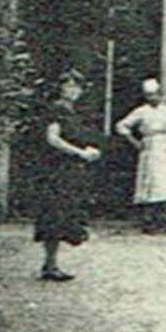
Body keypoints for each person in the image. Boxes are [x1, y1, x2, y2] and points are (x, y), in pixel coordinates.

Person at [36, 70, 101, 280]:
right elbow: (53, 139)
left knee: (62, 213)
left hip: (69, 169)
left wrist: (88, 148)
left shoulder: (72, 112)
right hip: (57, 170)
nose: (73, 91)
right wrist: (80, 153)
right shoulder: (57, 110)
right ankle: (50, 265)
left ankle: (50, 264)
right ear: (60, 88)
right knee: (55, 214)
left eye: (77, 87)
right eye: (68, 86)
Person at [115, 77, 166, 234]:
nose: (153, 98)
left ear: (161, 95)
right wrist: (134, 141)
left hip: (165, 147)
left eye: (156, 94)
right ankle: (150, 221)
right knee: (150, 184)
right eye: (149, 95)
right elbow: (122, 125)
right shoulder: (141, 111)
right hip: (149, 147)